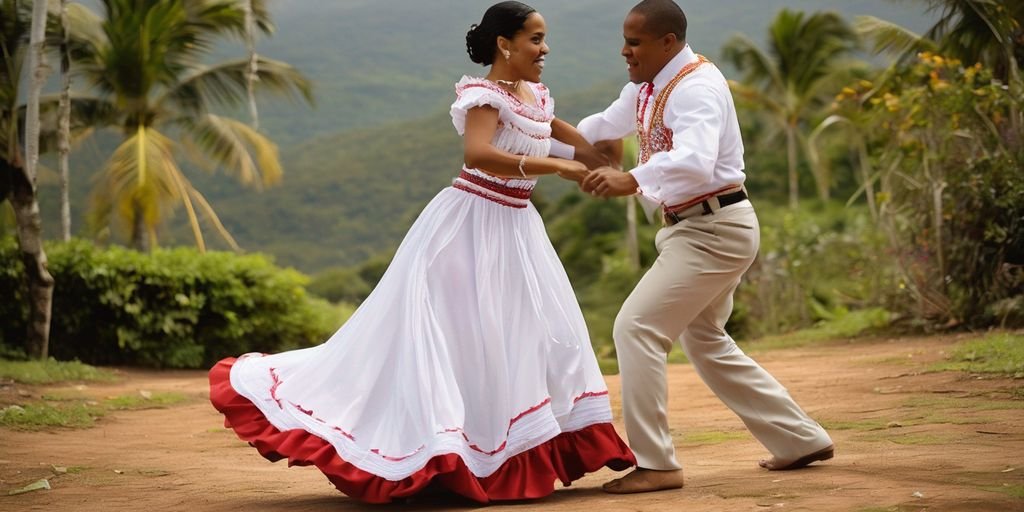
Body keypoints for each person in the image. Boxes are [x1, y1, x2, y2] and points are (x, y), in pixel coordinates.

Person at [208, 1, 634, 504]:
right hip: (468, 226)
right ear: (505, 44)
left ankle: (503, 450)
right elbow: (478, 154)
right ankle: (448, 452)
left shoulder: (536, 96)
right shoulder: (481, 96)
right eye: (535, 39)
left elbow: (582, 147)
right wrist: (557, 169)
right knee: (457, 339)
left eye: (544, 40)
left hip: (516, 229)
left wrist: (611, 142)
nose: (545, 50)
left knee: (521, 337)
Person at [576, 0, 834, 494]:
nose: (624, 51)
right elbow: (600, 128)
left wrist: (629, 177)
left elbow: (694, 162)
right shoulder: (647, 86)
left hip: (711, 230)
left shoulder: (695, 86)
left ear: (667, 42)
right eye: (625, 39)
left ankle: (657, 462)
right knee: (705, 339)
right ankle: (800, 438)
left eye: (634, 41)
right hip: (699, 228)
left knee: (636, 328)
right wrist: (527, 134)